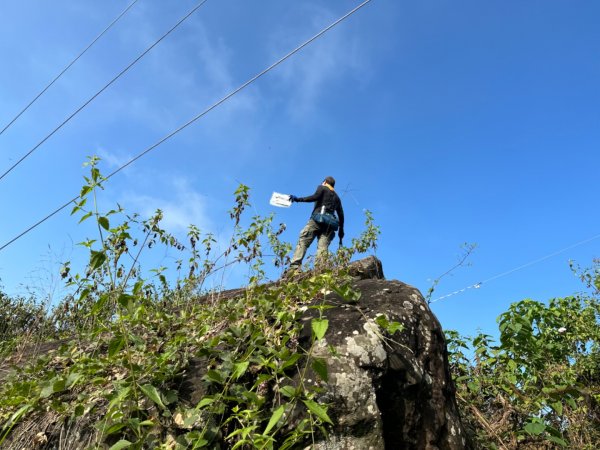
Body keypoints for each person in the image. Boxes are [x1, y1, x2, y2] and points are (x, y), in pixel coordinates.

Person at [288, 176, 344, 269]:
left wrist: (298, 199)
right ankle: (320, 270)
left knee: (304, 241)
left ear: (325, 182)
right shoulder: (337, 198)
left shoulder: (322, 187)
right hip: (330, 225)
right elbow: (341, 214)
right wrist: (341, 230)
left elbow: (315, 197)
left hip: (317, 220)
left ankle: (294, 267)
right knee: (322, 248)